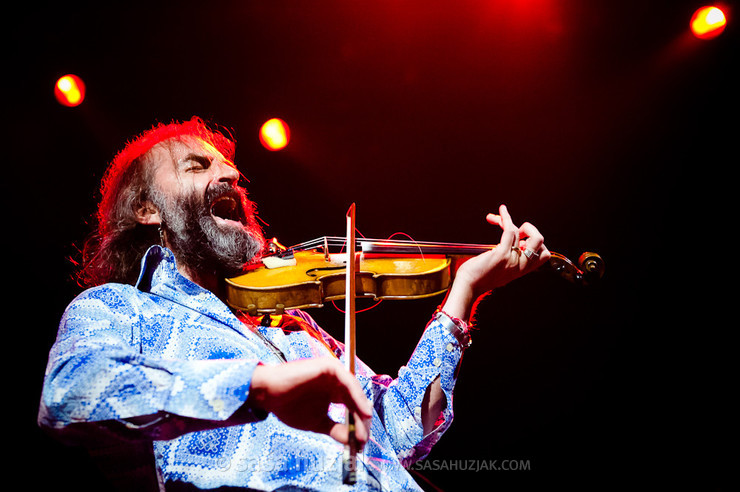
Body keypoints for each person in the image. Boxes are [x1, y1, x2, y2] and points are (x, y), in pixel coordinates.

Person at [38, 116, 550, 491]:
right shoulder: (120, 309)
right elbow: (70, 393)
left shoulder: (290, 325)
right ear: (147, 209)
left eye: (232, 169)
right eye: (198, 166)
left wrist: (464, 293)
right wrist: (257, 388)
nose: (233, 177)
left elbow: (396, 428)